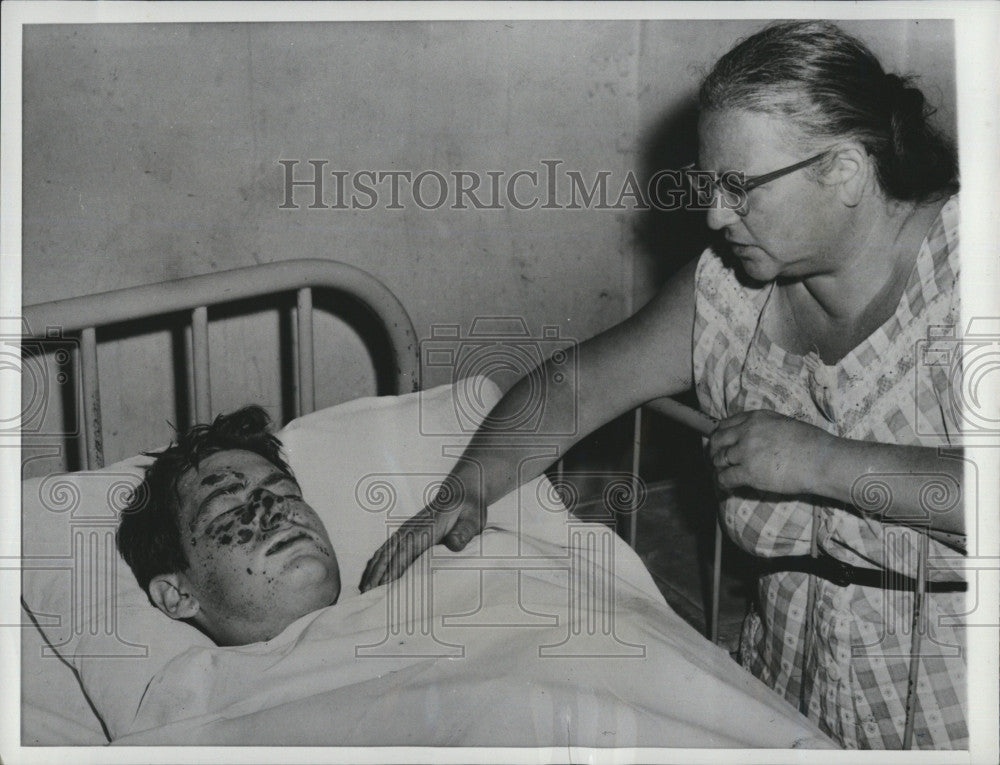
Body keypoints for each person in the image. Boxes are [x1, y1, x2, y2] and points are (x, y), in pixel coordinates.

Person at [360, 21, 966, 750]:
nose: (714, 215)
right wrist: (469, 486)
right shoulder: (733, 292)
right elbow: (574, 387)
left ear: (841, 168)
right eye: (707, 187)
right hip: (789, 704)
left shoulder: (967, 270)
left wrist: (824, 461)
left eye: (739, 189)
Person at [117, 405, 341, 647]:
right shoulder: (192, 683)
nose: (276, 508)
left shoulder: (386, 608)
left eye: (288, 494)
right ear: (177, 595)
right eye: (228, 508)